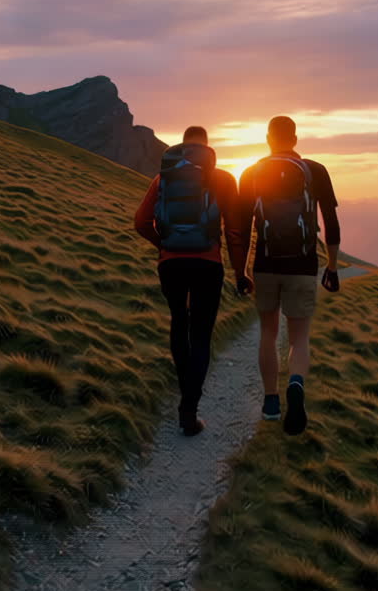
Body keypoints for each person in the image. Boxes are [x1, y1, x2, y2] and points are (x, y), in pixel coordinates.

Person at [134, 126, 247, 436]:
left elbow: (140, 221)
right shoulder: (223, 179)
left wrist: (164, 245)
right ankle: (189, 409)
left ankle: (185, 390)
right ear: (207, 148)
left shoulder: (164, 179)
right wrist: (241, 274)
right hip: (208, 264)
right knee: (200, 334)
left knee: (178, 323)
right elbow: (235, 232)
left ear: (182, 147)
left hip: (171, 264)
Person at [235, 115, 341, 435]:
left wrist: (240, 271)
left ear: (268, 138)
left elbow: (240, 228)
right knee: (299, 337)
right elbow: (331, 223)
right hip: (303, 264)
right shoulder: (315, 170)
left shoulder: (251, 172)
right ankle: (295, 382)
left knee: (268, 332)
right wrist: (332, 267)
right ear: (295, 139)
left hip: (266, 264)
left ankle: (270, 402)